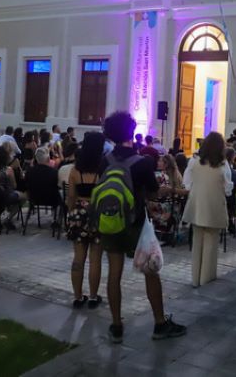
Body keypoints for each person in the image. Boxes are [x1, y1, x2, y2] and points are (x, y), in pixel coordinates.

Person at [98, 111, 186, 343]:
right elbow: (153, 193)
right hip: (136, 223)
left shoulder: (105, 160)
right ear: (131, 132)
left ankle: (116, 326)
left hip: (112, 220)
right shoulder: (142, 162)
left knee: (114, 274)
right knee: (150, 271)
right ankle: (159, 323)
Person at [182, 132, 231, 287]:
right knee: (211, 245)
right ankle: (206, 279)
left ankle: (195, 278)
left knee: (197, 243)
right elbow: (228, 188)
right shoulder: (223, 165)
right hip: (214, 206)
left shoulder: (194, 161)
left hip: (197, 204)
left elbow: (187, 182)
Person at [66, 132, 105, 309]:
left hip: (78, 213)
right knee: (95, 259)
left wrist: (72, 212)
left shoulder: (75, 170)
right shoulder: (103, 169)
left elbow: (71, 196)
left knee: (78, 257)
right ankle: (93, 297)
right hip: (96, 213)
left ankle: (77, 296)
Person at [224, 148, 236, 236]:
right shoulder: (235, 174)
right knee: (232, 198)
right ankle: (230, 220)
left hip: (219, 200)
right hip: (229, 200)